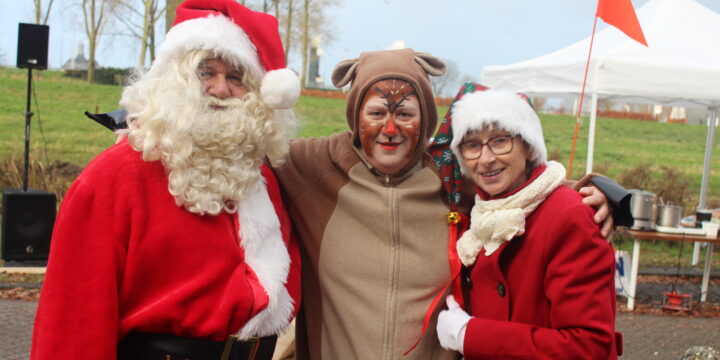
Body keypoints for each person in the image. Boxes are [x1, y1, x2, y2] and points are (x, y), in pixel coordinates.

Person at [272, 49, 618, 359]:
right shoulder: (311, 167)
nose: (389, 128)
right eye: (376, 112)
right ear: (354, 116)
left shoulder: (452, 175)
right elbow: (241, 159)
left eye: (405, 113)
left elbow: (525, 187)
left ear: (424, 121)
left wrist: (601, 193)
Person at [30, 1, 302, 359]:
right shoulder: (114, 177)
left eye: (236, 77)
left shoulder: (262, 176)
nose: (221, 89)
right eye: (205, 73)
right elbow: (73, 322)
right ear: (174, 82)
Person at [435, 85, 620, 359]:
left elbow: (588, 347)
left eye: (500, 141)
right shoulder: (479, 213)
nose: (486, 159)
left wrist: (469, 335)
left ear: (529, 147)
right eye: (472, 145)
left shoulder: (570, 217)